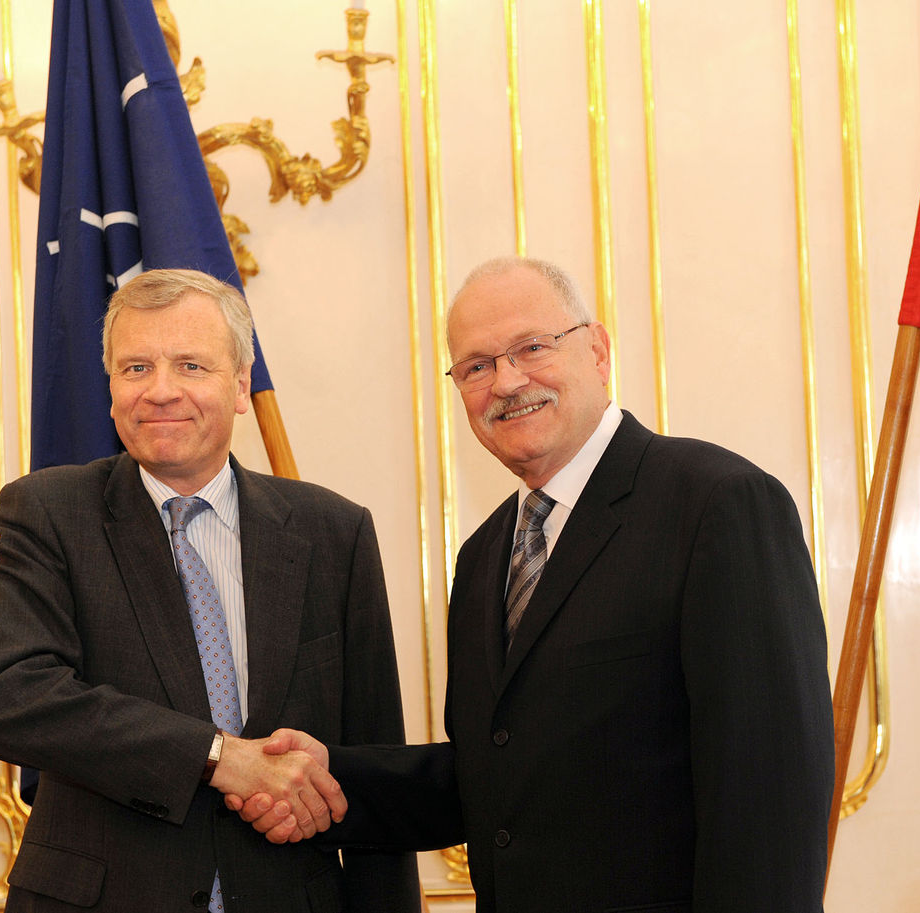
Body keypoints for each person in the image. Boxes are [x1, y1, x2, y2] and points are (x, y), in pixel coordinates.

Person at [241, 256, 836, 912]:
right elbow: (496, 777)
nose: (507, 381)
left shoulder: (718, 505)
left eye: (531, 347)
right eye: (476, 365)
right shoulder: (484, 556)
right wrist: (326, 778)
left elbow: (769, 796)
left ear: (598, 350)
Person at [0, 268, 420, 912]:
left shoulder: (334, 531)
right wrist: (217, 757)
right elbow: (7, 697)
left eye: (191, 366)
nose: (161, 391)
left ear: (240, 386)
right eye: (136, 368)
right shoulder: (48, 512)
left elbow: (374, 768)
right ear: (111, 387)